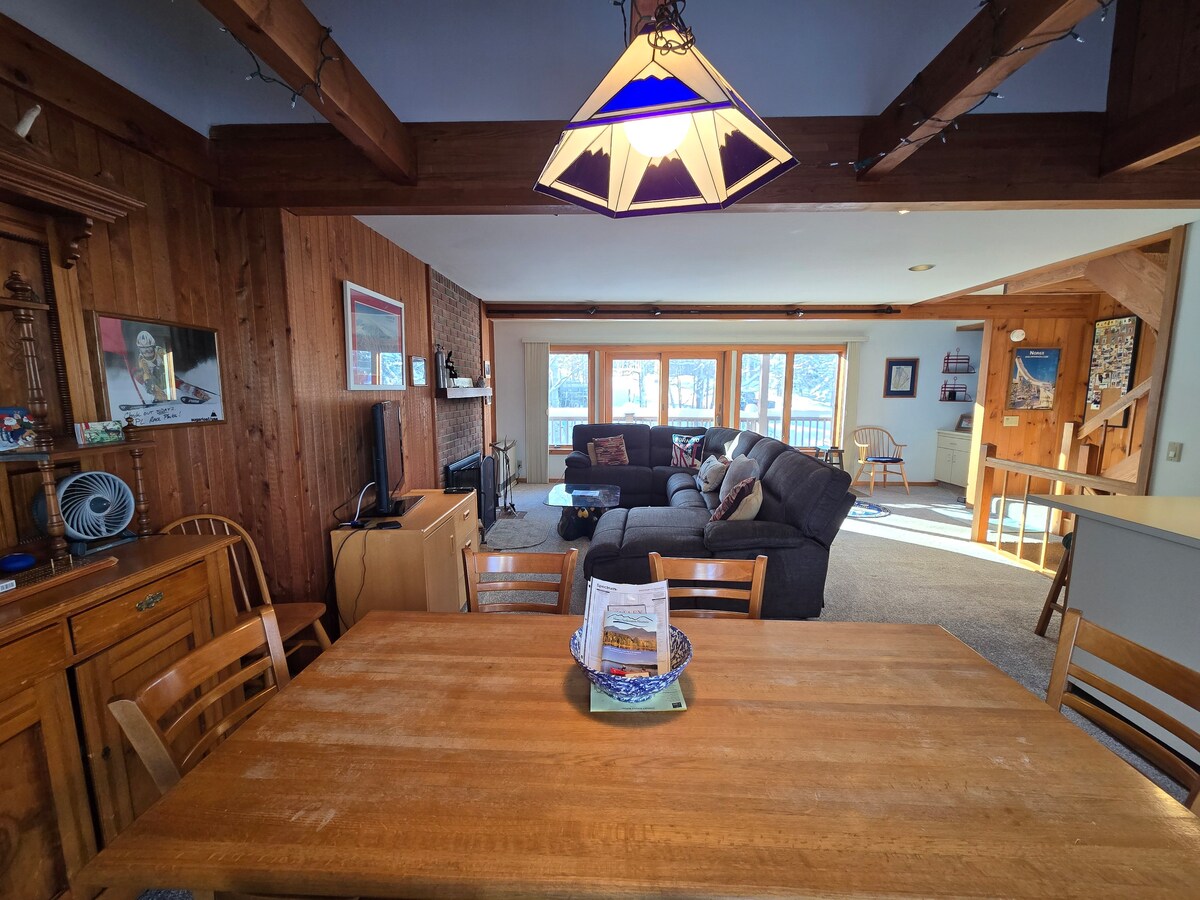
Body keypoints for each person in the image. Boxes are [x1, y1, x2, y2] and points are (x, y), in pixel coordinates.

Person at [133, 330, 170, 403]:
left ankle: (186, 388)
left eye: (149, 348)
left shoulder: (160, 351)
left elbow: (169, 364)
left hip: (165, 378)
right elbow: (145, 372)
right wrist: (148, 381)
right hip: (154, 380)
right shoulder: (141, 359)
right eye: (143, 350)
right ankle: (159, 395)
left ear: (153, 347)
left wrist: (164, 368)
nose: (147, 352)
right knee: (138, 374)